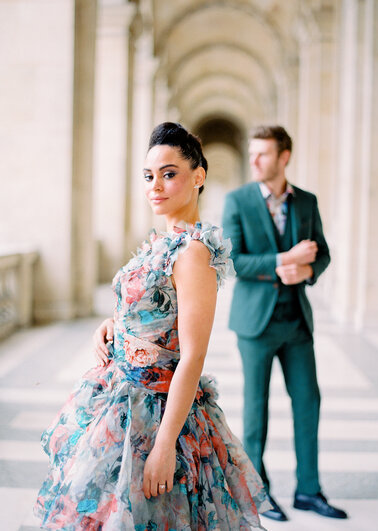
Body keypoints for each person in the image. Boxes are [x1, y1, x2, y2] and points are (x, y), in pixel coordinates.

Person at [34, 122, 271, 530]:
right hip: (119, 399)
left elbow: (193, 354)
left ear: (198, 177)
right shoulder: (162, 243)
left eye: (169, 173)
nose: (155, 186)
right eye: (149, 175)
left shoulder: (193, 252)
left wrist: (164, 446)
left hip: (158, 413)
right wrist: (115, 325)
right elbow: (153, 311)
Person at [222, 125, 348, 522]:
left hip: (296, 323)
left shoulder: (306, 201)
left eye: (263, 153)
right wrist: (284, 260)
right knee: (256, 410)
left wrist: (306, 268)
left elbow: (323, 253)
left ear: (284, 156)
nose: (254, 160)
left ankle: (309, 490)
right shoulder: (237, 201)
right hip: (255, 324)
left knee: (309, 402)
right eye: (252, 152)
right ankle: (259, 493)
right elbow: (232, 261)